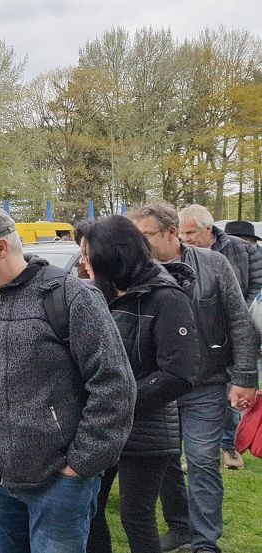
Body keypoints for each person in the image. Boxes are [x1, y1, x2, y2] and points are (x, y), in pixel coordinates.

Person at [0, 206, 136, 553]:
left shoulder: (72, 298)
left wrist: (80, 464)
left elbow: (114, 387)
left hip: (58, 484)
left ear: (1, 248)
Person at [130, 203, 259, 553]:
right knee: (167, 461)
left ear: (172, 232)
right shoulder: (137, 272)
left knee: (201, 460)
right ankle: (181, 527)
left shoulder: (214, 264)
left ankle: (205, 543)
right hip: (158, 386)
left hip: (206, 381)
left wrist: (245, 375)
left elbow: (239, 321)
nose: (138, 245)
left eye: (145, 237)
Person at [79, 217, 199, 553]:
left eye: (88, 255)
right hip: (101, 426)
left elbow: (179, 374)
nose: (82, 262)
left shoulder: (167, 299)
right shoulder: (95, 294)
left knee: (136, 517)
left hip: (147, 430)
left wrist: (118, 401)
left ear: (111, 257)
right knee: (90, 511)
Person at [179, 206, 262, 471]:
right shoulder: (184, 256)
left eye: (191, 232)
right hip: (202, 337)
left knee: (234, 395)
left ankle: (229, 445)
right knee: (210, 397)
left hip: (238, 332)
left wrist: (239, 313)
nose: (187, 238)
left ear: (208, 228)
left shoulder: (243, 249)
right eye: (183, 233)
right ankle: (201, 450)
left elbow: (258, 287)